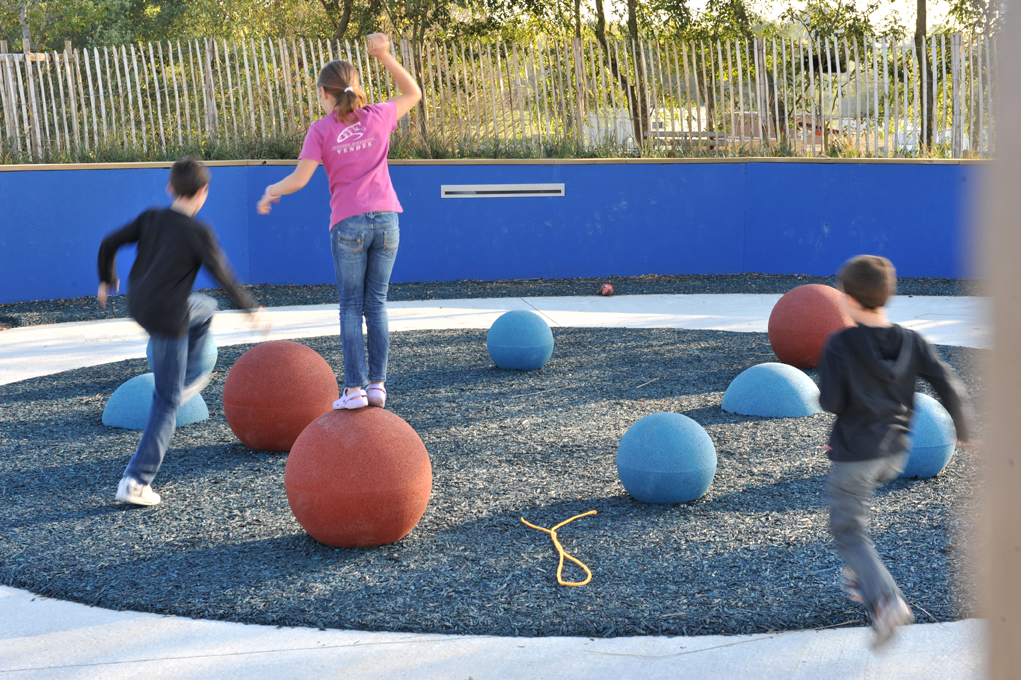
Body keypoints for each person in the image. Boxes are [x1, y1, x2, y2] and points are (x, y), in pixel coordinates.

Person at [256, 33, 421, 411]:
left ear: (325, 94)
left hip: (348, 224)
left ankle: (354, 391)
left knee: (351, 306)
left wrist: (270, 190)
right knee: (376, 304)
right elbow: (413, 92)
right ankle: (377, 386)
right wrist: (384, 56)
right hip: (387, 221)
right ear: (356, 87)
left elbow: (299, 180)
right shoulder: (378, 116)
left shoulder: (321, 129)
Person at [818, 254, 972, 648]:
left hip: (855, 455)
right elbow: (947, 380)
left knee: (848, 529)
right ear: (886, 296)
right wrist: (965, 429)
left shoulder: (841, 344)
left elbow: (831, 401)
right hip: (896, 455)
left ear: (848, 299)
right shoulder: (912, 340)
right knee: (856, 528)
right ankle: (860, 574)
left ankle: (886, 602)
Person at [98, 157, 264, 506]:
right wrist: (251, 309)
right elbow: (223, 275)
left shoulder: (150, 217)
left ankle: (190, 376)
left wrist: (106, 278)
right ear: (203, 192)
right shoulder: (198, 231)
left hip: (140, 306)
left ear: (170, 188)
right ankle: (136, 481)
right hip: (167, 318)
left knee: (205, 307)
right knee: (166, 402)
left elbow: (109, 242)